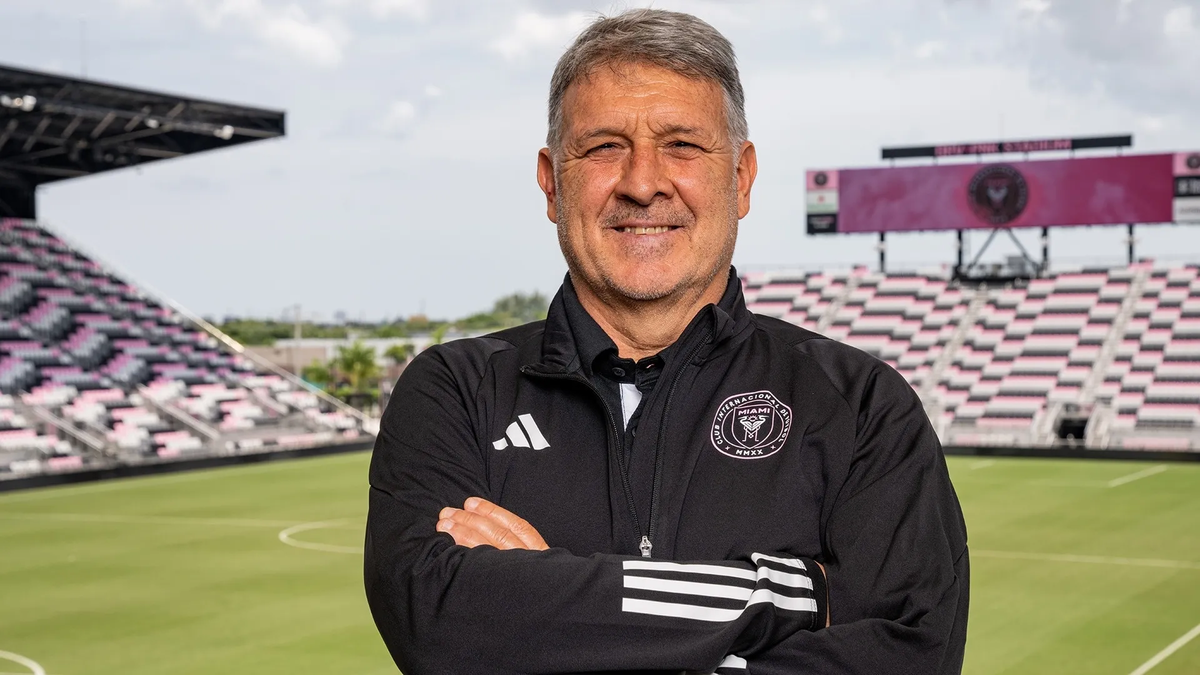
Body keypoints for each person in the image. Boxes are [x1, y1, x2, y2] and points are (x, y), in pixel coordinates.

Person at [365, 9, 968, 675]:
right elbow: (439, 619)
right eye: (602, 147)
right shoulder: (453, 393)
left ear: (740, 178)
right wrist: (791, 592)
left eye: (681, 145)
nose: (642, 182)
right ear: (550, 182)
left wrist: (542, 609)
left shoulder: (862, 408)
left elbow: (911, 653)